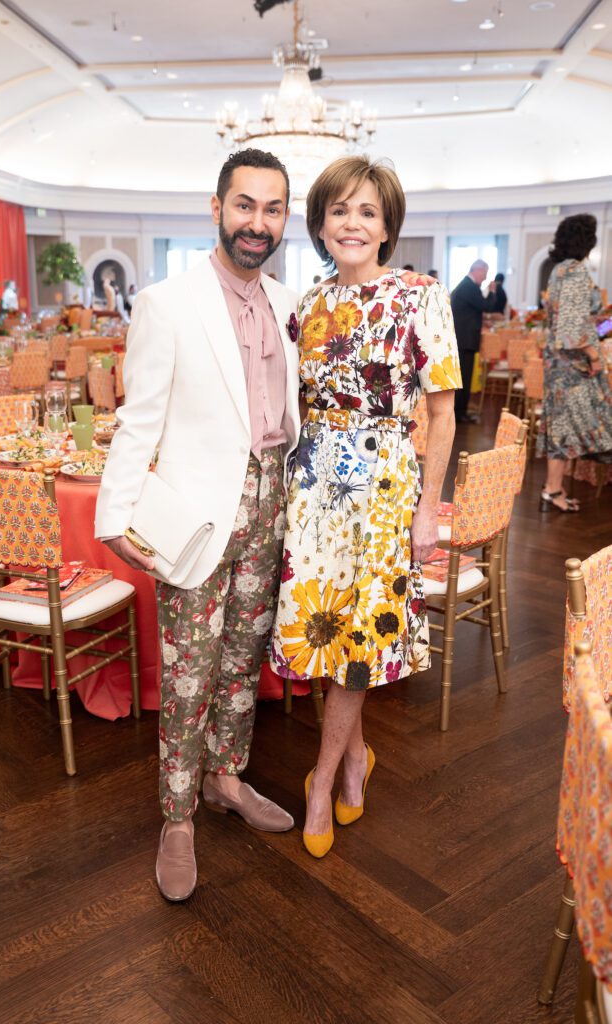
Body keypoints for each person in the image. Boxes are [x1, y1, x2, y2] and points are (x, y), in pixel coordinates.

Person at [95, 149, 301, 901]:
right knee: (188, 672)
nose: (257, 222)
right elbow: (138, 417)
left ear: (285, 218)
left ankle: (225, 778)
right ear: (216, 208)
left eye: (272, 208)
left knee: (244, 661)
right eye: (244, 205)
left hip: (271, 501)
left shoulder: (288, 304)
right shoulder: (166, 302)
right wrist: (114, 512)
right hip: (195, 513)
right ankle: (176, 817)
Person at [269, 155, 461, 859]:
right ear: (319, 224)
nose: (352, 223)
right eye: (339, 210)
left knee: (360, 638)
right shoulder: (308, 305)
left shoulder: (419, 295)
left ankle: (320, 779)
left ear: (386, 227)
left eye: (367, 212)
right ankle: (353, 759)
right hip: (313, 488)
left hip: (384, 489)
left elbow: (441, 415)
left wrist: (426, 510)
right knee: (323, 633)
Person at [536, 213, 612, 511]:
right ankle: (553, 490)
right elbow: (571, 332)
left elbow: (579, 325)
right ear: (587, 241)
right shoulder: (576, 273)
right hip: (574, 368)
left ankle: (552, 490)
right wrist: (594, 357)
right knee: (569, 427)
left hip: (560, 366)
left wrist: (605, 324)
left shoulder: (558, 271)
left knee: (561, 427)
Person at [450, 259, 497, 423]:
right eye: (484, 273)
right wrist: (491, 291)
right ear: (477, 270)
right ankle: (459, 413)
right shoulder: (469, 287)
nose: (485, 278)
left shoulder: (465, 285)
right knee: (463, 378)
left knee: (463, 377)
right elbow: (486, 306)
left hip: (462, 339)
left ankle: (460, 411)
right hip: (465, 340)